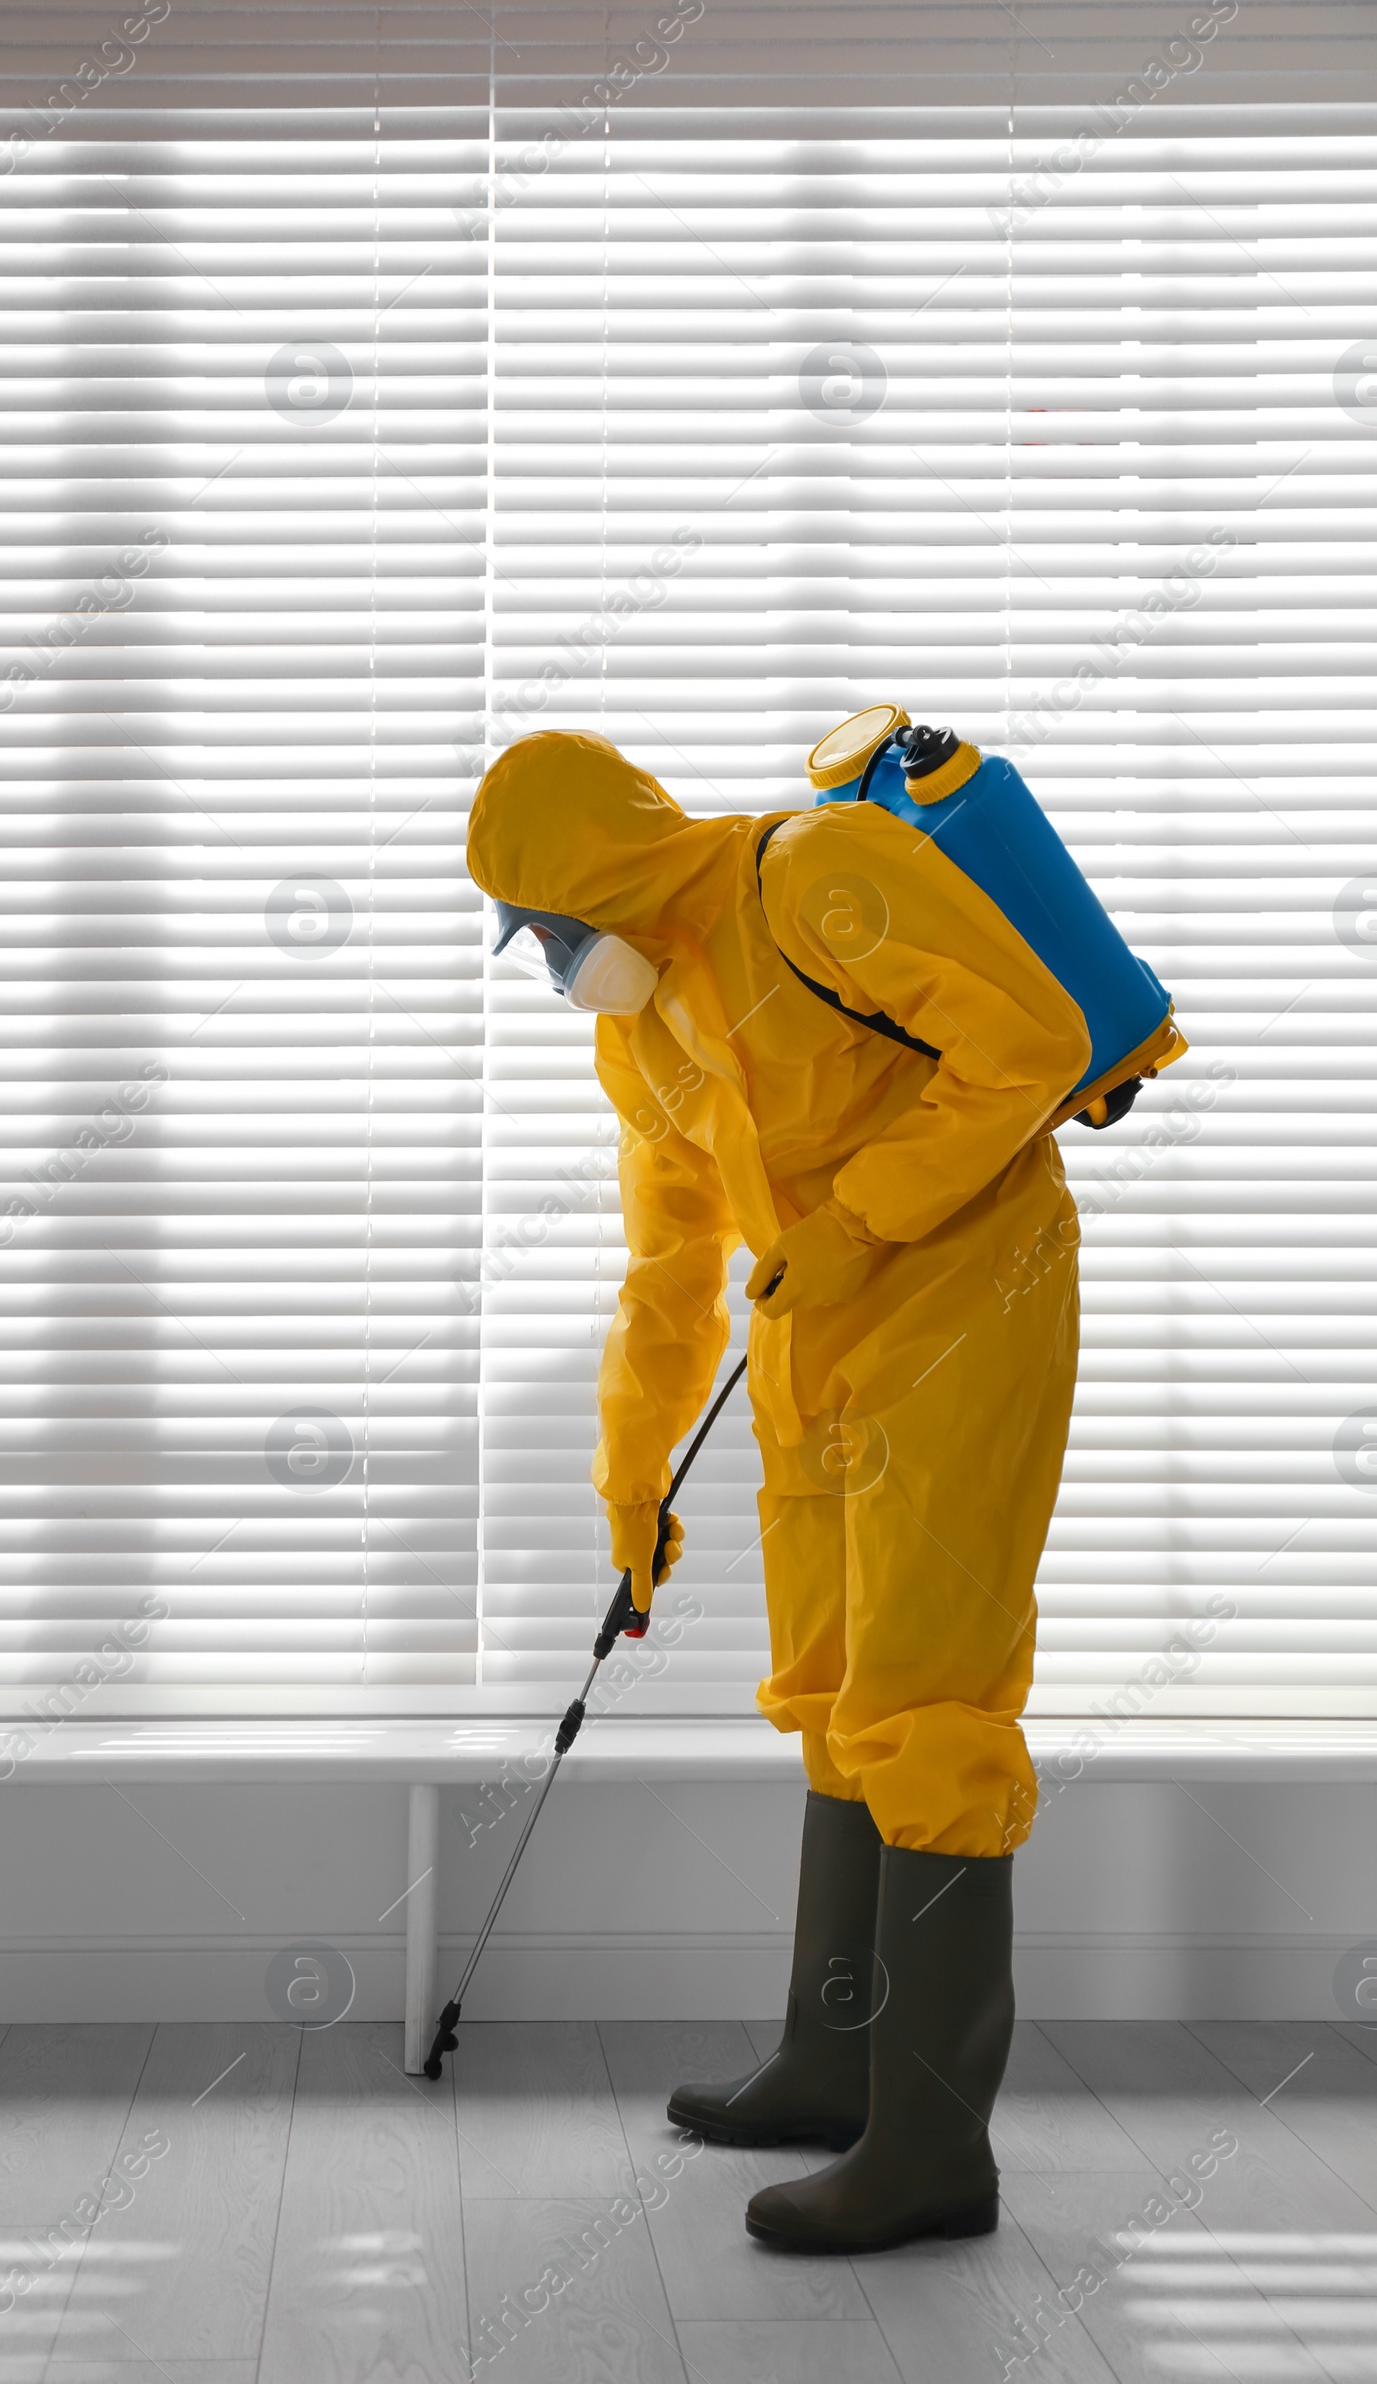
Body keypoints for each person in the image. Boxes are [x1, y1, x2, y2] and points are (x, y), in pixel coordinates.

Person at [465, 727, 1089, 2255]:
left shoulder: (816, 878)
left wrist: (865, 1218)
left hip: (965, 1306)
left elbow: (1035, 1042)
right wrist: (627, 1474)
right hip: (810, 1347)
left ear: (597, 874)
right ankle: (831, 2062)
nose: (547, 962)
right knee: (825, 1696)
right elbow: (670, 1274)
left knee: (928, 1709)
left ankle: (934, 2147)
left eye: (545, 925)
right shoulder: (641, 1039)